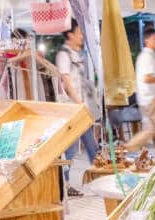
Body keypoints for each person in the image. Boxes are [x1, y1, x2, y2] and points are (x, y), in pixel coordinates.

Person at [55, 20, 100, 197]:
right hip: (72, 110)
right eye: (79, 32)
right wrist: (79, 102)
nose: (82, 36)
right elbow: (66, 82)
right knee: (71, 149)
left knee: (91, 145)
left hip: (81, 109)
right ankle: (66, 185)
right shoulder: (63, 54)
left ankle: (100, 177)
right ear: (70, 34)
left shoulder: (76, 54)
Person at [127, 26, 155, 152]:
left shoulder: (144, 56)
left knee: (151, 130)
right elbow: (147, 78)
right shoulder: (148, 56)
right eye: (154, 39)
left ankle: (128, 147)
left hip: (144, 99)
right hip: (152, 98)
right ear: (146, 40)